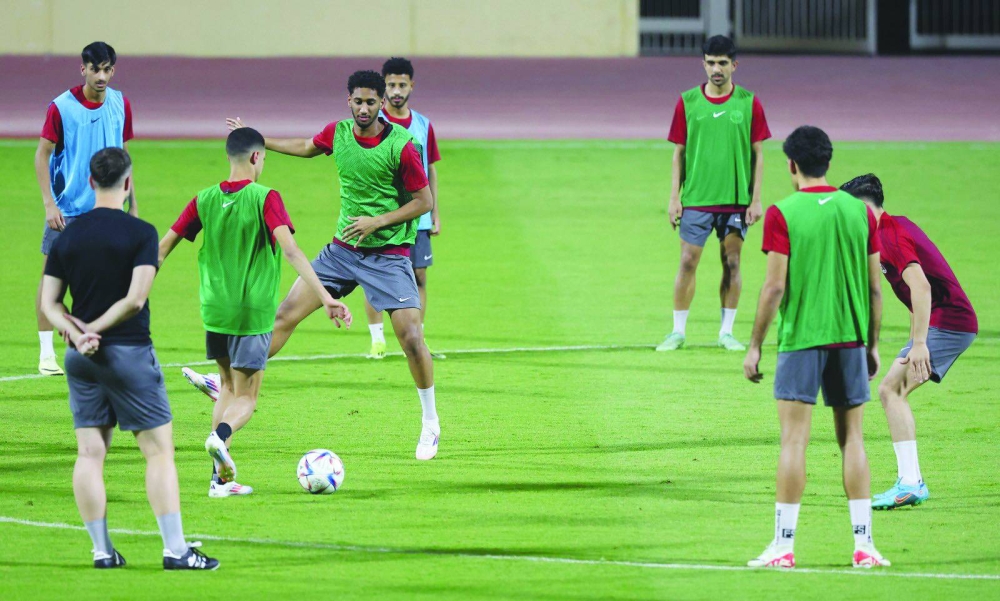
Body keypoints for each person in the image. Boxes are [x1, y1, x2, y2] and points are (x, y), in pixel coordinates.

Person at [185, 70, 440, 460]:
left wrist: (377, 221)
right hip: (343, 251)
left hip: (388, 256)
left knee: (410, 338)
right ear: (349, 101)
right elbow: (306, 146)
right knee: (284, 315)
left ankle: (430, 422)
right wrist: (259, 140)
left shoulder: (402, 146)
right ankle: (231, 382)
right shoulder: (338, 133)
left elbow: (424, 201)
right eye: (358, 101)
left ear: (381, 103)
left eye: (371, 102)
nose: (364, 108)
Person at [40, 148, 217, 570]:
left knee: (89, 454)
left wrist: (77, 333)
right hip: (128, 353)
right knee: (158, 453)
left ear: (90, 182)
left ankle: (102, 551)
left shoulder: (68, 236)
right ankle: (175, 550)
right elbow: (136, 299)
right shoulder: (141, 233)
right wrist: (95, 330)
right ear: (128, 183)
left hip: (80, 358)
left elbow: (48, 303)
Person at [159, 128, 352, 497]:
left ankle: (219, 482)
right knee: (246, 398)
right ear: (255, 157)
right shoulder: (266, 197)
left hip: (214, 311)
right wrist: (326, 296)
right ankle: (220, 437)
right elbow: (291, 250)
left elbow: (163, 247)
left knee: (227, 388)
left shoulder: (203, 199)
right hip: (252, 312)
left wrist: (135, 290)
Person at [743, 126, 889, 568]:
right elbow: (875, 288)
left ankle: (783, 547)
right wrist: (872, 344)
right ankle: (864, 545)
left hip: (802, 341)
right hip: (850, 339)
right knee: (853, 440)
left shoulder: (782, 213)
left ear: (791, 165)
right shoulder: (859, 212)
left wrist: (754, 345)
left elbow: (773, 288)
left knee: (794, 442)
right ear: (828, 161)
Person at [840, 174, 978, 510]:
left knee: (891, 390)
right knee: (892, 390)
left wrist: (919, 344)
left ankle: (911, 483)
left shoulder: (889, 236)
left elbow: (922, 287)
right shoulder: (888, 229)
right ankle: (911, 481)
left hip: (951, 322)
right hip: (944, 321)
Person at [657, 35, 770, 352]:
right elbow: (678, 153)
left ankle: (726, 333)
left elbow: (758, 155)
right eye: (710, 63)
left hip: (735, 201)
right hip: (696, 199)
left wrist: (756, 199)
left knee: (732, 262)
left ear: (734, 65)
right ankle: (677, 332)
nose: (716, 69)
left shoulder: (748, 102)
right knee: (687, 261)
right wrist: (674, 197)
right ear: (703, 64)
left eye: (722, 63)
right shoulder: (688, 102)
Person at [35, 41, 137, 376]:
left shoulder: (121, 103)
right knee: (52, 280)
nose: (101, 76)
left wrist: (133, 204)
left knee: (109, 280)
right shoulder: (61, 108)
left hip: (110, 208)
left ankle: (102, 344)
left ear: (113, 70)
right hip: (68, 210)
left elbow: (124, 157)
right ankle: (46, 354)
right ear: (83, 69)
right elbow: (42, 155)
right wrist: (49, 203)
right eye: (95, 69)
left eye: (107, 69)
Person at [364, 57, 445, 360]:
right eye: (391, 85)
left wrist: (435, 212)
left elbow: (429, 168)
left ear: (412, 85)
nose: (396, 91)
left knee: (419, 276)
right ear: (383, 87)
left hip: (417, 216)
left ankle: (418, 339)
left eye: (401, 84)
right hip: (382, 215)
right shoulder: (373, 122)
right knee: (375, 278)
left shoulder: (423, 124)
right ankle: (377, 340)